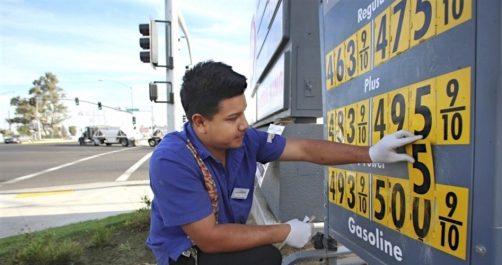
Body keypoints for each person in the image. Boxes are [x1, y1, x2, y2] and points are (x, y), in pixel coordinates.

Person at [146, 61, 422, 265]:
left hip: (219, 239)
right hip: (188, 254)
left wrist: (370, 154)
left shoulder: (243, 140)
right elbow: (209, 238)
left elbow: (304, 149)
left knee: (266, 257)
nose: (244, 125)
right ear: (200, 122)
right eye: (232, 119)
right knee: (265, 258)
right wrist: (285, 230)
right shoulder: (172, 159)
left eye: (243, 113)